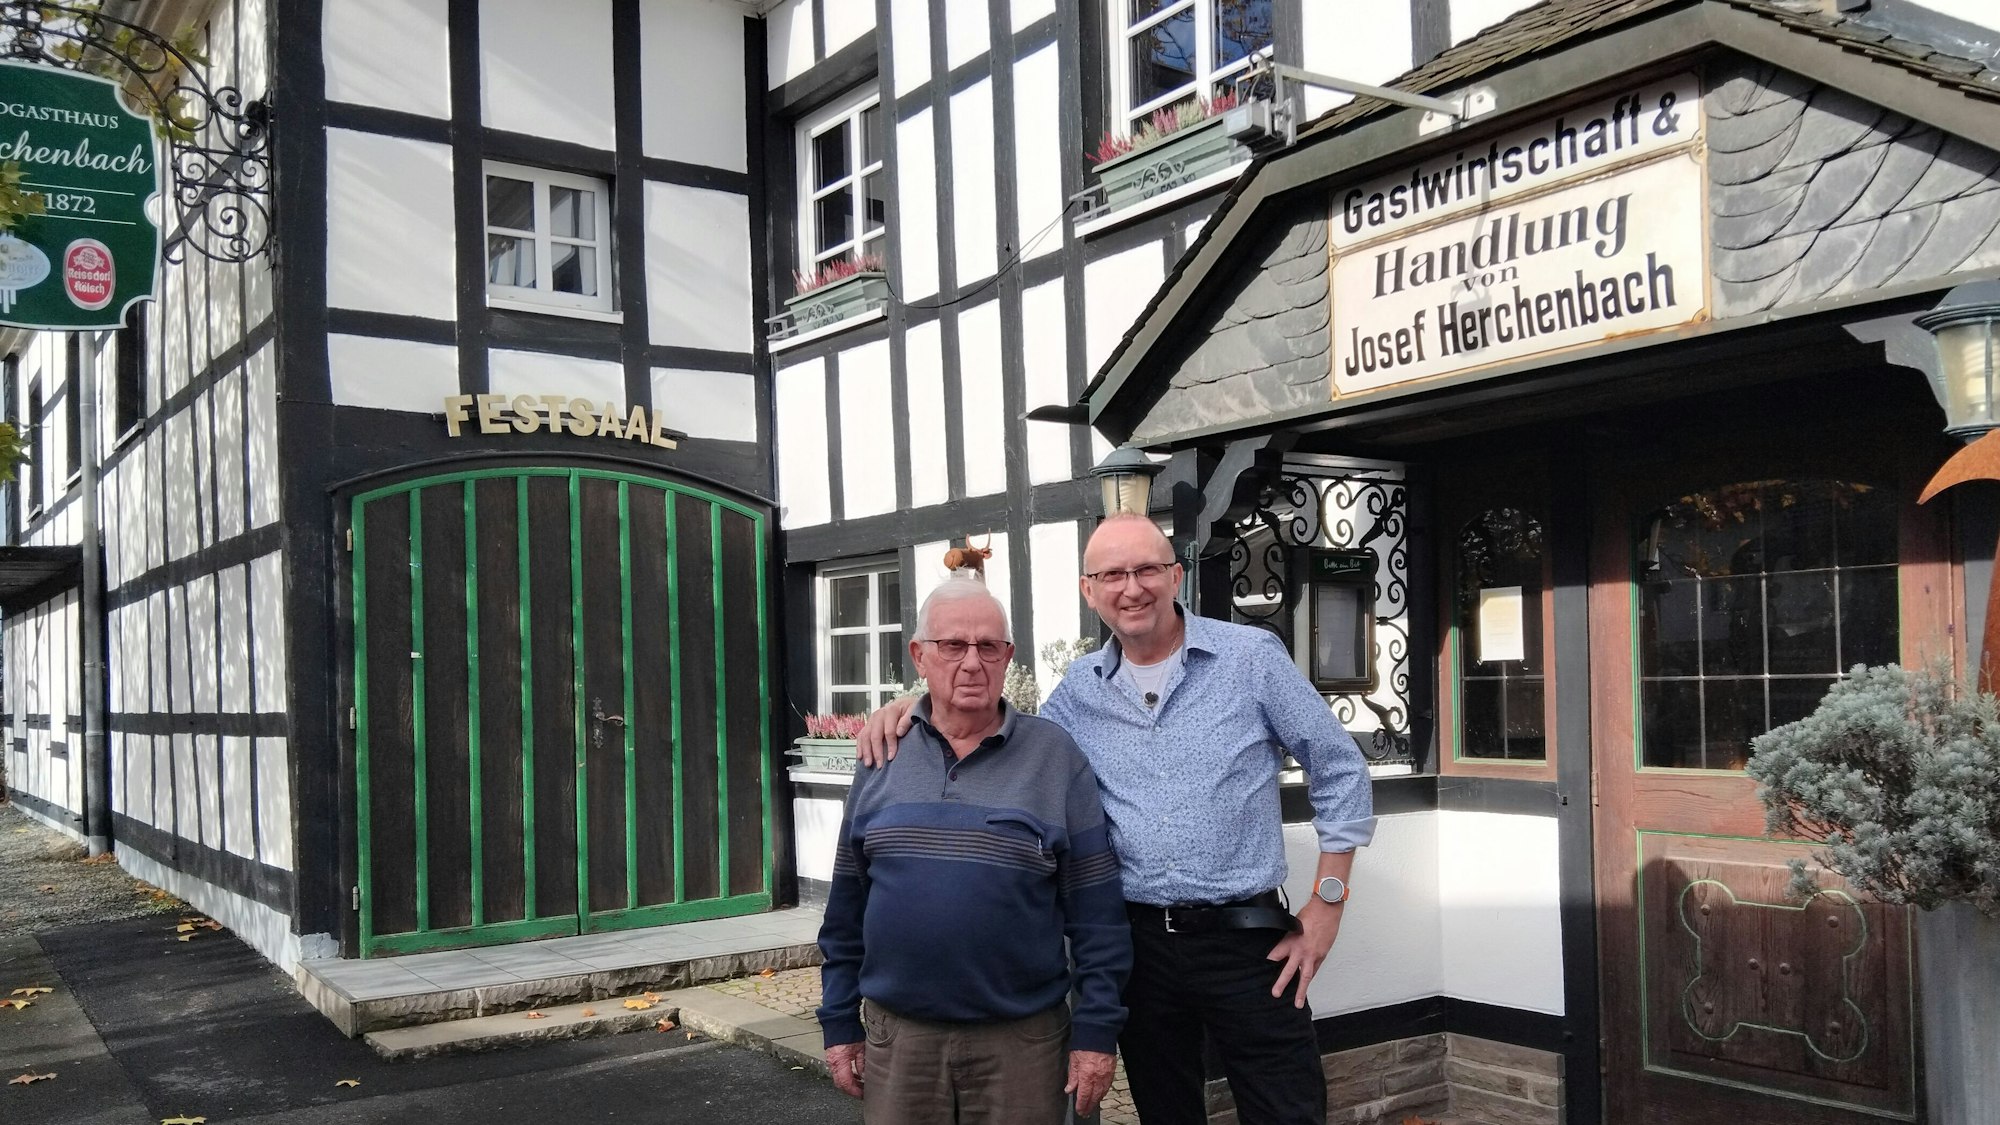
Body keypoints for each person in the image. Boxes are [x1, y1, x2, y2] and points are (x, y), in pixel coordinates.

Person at [858, 514, 1376, 1125]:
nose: (1131, 588)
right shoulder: (1079, 690)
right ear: (1089, 590)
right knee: (1165, 1114)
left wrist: (1328, 903)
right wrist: (913, 705)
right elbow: (1004, 730)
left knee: (1287, 1113)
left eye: (1146, 570)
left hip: (1248, 943)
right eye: (1112, 575)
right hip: (1139, 950)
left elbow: (1340, 767)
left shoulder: (1251, 658)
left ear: (1175, 576)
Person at [816, 577, 1130, 1125]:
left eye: (988, 646)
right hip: (900, 1042)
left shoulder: (1055, 758)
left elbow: (1097, 917)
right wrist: (839, 1021)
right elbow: (846, 910)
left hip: (1024, 1045)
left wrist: (1096, 1034)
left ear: (1008, 657)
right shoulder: (880, 757)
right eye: (952, 645)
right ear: (919, 656)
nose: (971, 663)